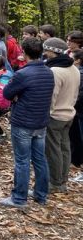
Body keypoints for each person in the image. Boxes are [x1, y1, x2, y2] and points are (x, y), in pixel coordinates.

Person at [0, 38, 55, 208]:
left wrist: (18, 95)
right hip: (41, 122)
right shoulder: (48, 71)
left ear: (24, 52)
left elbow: (7, 93)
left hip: (23, 122)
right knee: (40, 159)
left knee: (22, 161)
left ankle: (19, 198)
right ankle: (41, 194)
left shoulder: (22, 74)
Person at [43, 37, 80, 193]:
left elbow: (52, 96)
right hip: (69, 114)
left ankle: (56, 182)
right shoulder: (74, 68)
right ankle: (63, 179)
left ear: (54, 52)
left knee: (53, 150)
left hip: (56, 116)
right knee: (65, 148)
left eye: (47, 50)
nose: (45, 52)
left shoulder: (55, 71)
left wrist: (47, 115)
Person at [70, 50, 83, 182]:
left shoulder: (79, 73)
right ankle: (76, 161)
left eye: (72, 58)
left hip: (79, 111)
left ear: (78, 60)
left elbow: (79, 94)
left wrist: (71, 103)